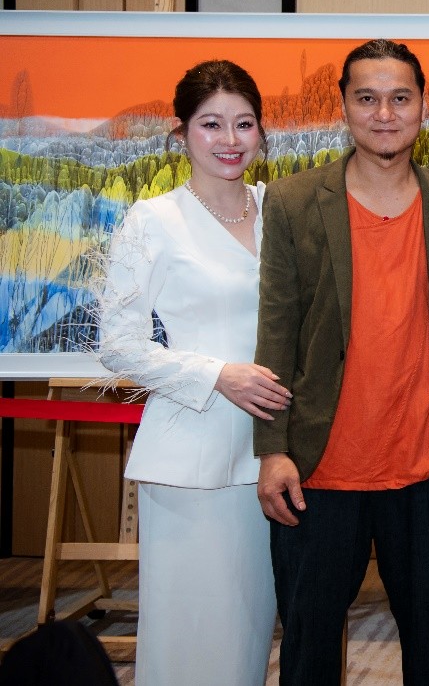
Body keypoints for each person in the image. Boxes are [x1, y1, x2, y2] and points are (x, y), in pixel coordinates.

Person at [253, 39, 429, 686]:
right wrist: (272, 449)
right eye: (368, 98)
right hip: (321, 465)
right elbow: (277, 331)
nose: (385, 113)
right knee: (309, 643)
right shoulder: (294, 201)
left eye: (400, 98)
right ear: (345, 108)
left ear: (423, 107)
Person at [98, 60, 283, 686]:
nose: (230, 140)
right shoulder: (152, 221)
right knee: (188, 638)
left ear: (261, 132)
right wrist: (216, 374)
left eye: (244, 124)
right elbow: (118, 344)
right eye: (211, 124)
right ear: (181, 133)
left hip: (272, 455)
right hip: (189, 457)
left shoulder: (280, 210)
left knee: (248, 638)